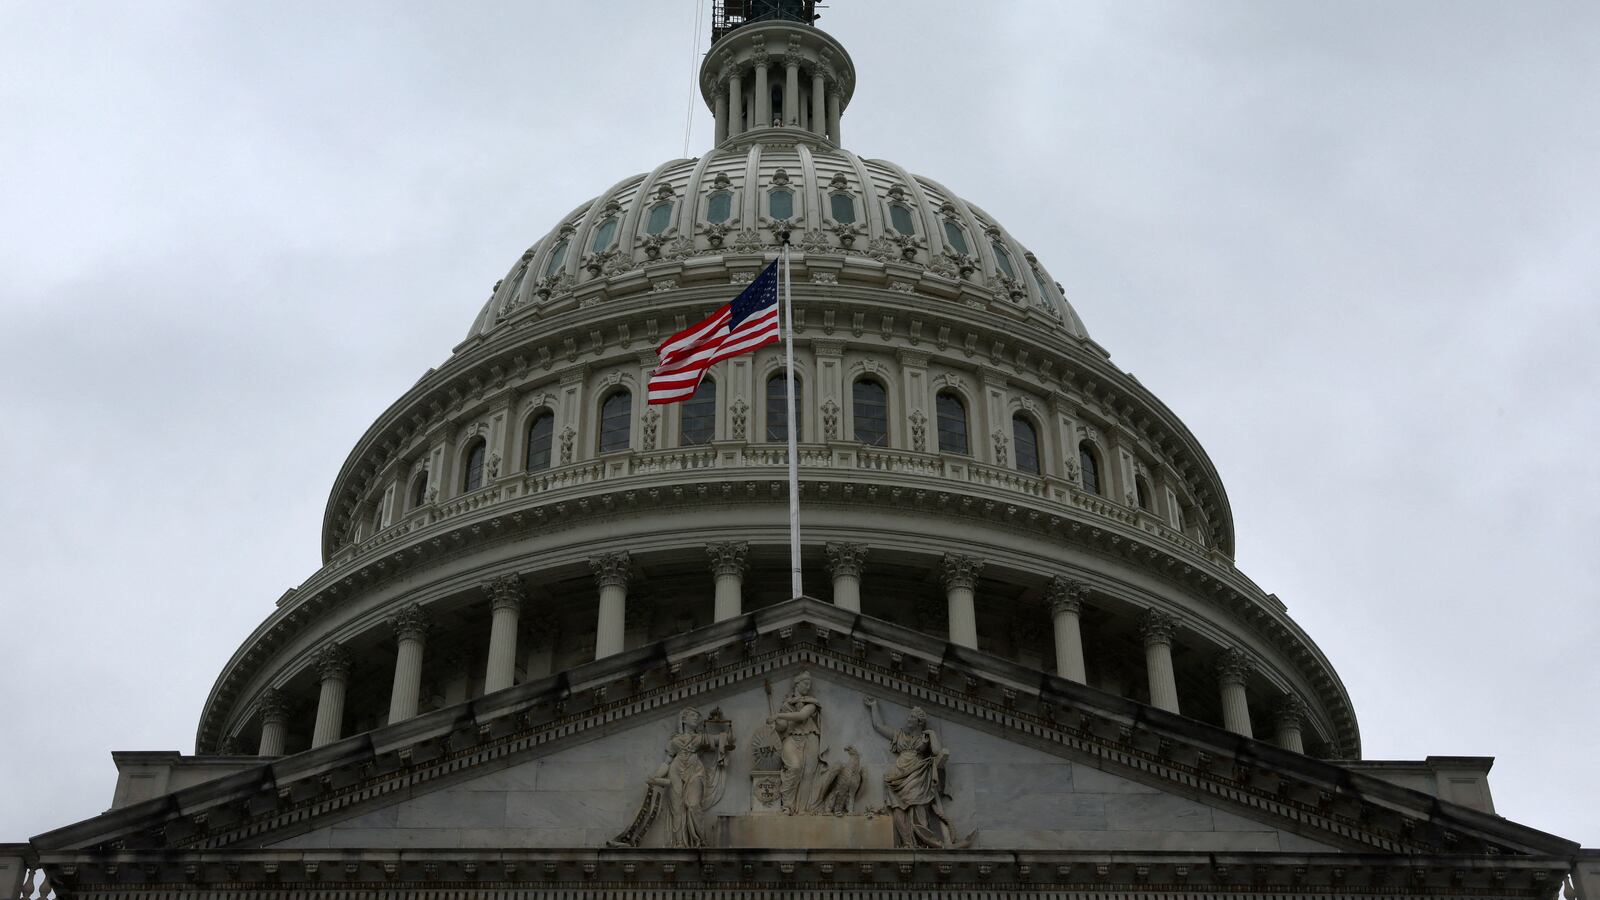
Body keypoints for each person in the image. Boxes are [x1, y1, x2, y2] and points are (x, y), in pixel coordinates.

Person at [863, 696, 971, 848]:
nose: (909, 719)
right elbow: (878, 725)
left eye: (912, 717)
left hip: (918, 774)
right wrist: (874, 706)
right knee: (898, 809)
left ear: (919, 721)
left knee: (919, 809)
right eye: (910, 716)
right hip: (897, 776)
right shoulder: (899, 735)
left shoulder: (925, 737)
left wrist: (932, 734)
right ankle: (907, 842)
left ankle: (923, 842)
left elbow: (937, 751)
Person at [645, 706, 733, 847]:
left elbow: (726, 740)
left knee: (693, 805)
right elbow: (667, 761)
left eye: (698, 716)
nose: (697, 718)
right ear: (684, 719)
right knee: (677, 808)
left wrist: (724, 725)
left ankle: (700, 841)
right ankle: (679, 843)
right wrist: (655, 777)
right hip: (676, 770)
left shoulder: (700, 738)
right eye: (693, 715)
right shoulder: (674, 741)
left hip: (695, 771)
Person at [767, 670, 822, 813]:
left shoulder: (811, 703)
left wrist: (778, 715)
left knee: (808, 773)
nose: (808, 687)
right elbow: (784, 726)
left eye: (810, 684)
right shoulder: (786, 704)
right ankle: (787, 805)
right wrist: (776, 723)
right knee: (795, 767)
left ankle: (803, 809)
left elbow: (801, 716)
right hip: (791, 737)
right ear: (797, 684)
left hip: (810, 737)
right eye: (806, 683)